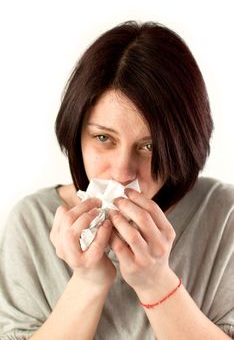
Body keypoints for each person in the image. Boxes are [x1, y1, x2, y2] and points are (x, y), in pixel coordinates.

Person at [0, 20, 233, 340]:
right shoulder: (33, 223)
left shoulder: (224, 217)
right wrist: (87, 282)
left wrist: (155, 281)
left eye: (149, 146)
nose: (123, 171)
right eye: (103, 138)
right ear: (77, 133)